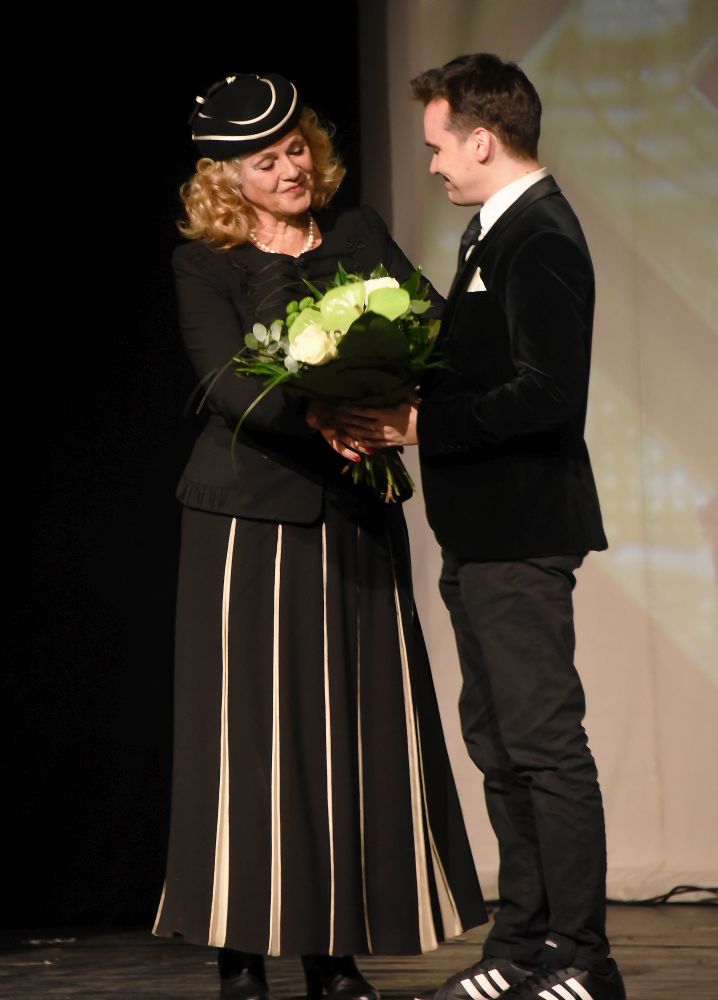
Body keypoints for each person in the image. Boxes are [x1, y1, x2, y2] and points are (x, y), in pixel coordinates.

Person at [152, 71, 487, 1000]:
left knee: (352, 733)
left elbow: (428, 322)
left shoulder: (357, 229)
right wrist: (321, 418)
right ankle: (240, 955)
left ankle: (332, 955)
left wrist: (391, 397)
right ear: (227, 178)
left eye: (296, 148)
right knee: (251, 740)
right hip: (247, 522)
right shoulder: (206, 262)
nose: (292, 169)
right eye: (266, 162)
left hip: (354, 511)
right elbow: (227, 383)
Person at [339, 54, 626, 1000]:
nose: (431, 164)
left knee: (543, 747)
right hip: (479, 535)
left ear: (482, 140)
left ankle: (584, 960)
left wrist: (422, 424)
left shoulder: (539, 237)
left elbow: (549, 395)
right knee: (500, 749)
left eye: (437, 147)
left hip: (521, 531)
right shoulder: (491, 230)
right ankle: (524, 945)